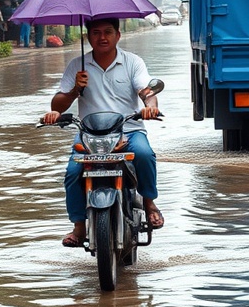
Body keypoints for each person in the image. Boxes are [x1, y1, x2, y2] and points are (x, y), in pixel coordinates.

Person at [41, 18, 164, 247]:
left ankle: (149, 203)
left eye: (108, 32)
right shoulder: (77, 66)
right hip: (90, 135)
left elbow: (146, 91)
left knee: (145, 155)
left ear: (118, 35)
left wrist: (150, 105)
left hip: (129, 130)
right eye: (96, 33)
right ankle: (79, 227)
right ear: (88, 37)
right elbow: (57, 105)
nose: (102, 37)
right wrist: (76, 89)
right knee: (72, 171)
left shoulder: (132, 62)